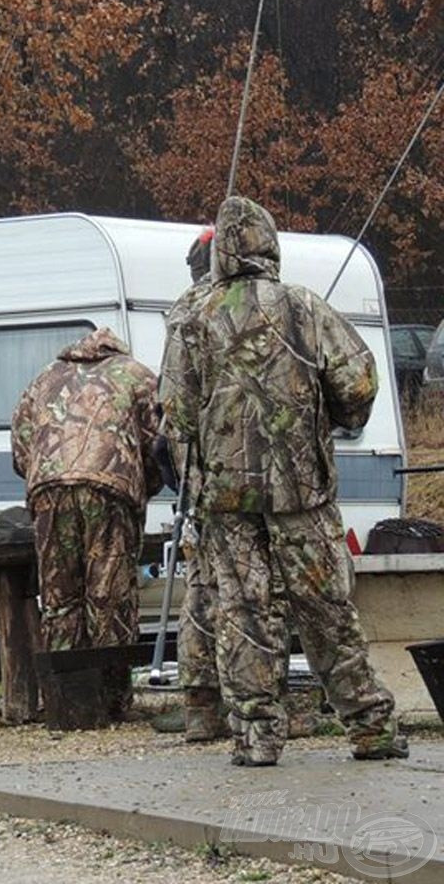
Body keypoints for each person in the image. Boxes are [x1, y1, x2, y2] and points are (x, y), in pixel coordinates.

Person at [161, 195, 405, 766]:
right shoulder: (304, 307)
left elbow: (173, 409)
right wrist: (340, 422)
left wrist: (200, 462)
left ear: (220, 253)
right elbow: (358, 379)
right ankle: (368, 727)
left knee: (244, 614)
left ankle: (256, 737)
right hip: (302, 491)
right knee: (326, 606)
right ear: (272, 246)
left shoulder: (192, 318)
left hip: (225, 499)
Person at [11, 326, 162, 718]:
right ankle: (112, 699)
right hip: (110, 487)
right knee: (108, 594)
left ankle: (64, 699)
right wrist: (145, 485)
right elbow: (158, 443)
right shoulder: (137, 375)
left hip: (47, 489)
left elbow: (20, 446)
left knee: (60, 597)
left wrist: (46, 477)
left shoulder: (45, 377)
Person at [159, 228, 230, 742]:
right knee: (252, 590)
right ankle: (262, 702)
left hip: (194, 474)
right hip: (235, 470)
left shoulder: (179, 312)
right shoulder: (236, 304)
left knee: (201, 588)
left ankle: (201, 704)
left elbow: (170, 406)